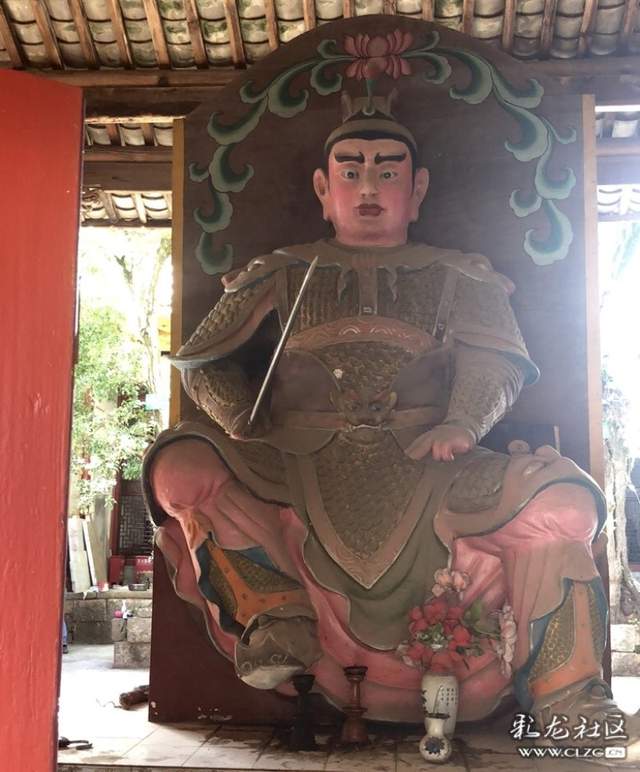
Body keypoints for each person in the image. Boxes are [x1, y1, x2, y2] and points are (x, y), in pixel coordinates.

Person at [143, 91, 637, 759]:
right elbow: (202, 361)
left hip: (431, 459)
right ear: (323, 190)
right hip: (294, 456)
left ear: (418, 189)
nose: (369, 188)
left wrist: (463, 421)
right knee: (180, 464)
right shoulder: (281, 272)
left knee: (567, 503)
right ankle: (274, 616)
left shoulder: (459, 274)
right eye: (350, 172)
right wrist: (238, 417)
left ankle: (569, 694)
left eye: (387, 171)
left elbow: (498, 361)